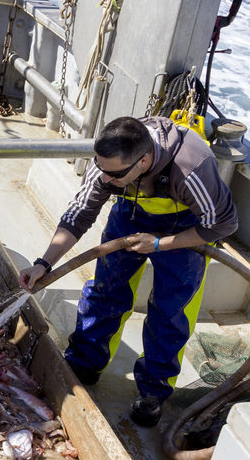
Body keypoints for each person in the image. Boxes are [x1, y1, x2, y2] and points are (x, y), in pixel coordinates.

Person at [19, 116, 238, 427]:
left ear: (144, 160)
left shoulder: (192, 169)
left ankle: (154, 391)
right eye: (101, 169)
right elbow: (79, 214)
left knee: (170, 310)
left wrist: (161, 243)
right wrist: (43, 263)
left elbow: (224, 224)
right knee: (105, 290)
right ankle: (85, 362)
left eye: (114, 175)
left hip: (186, 226)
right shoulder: (109, 164)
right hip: (131, 211)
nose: (104, 179)